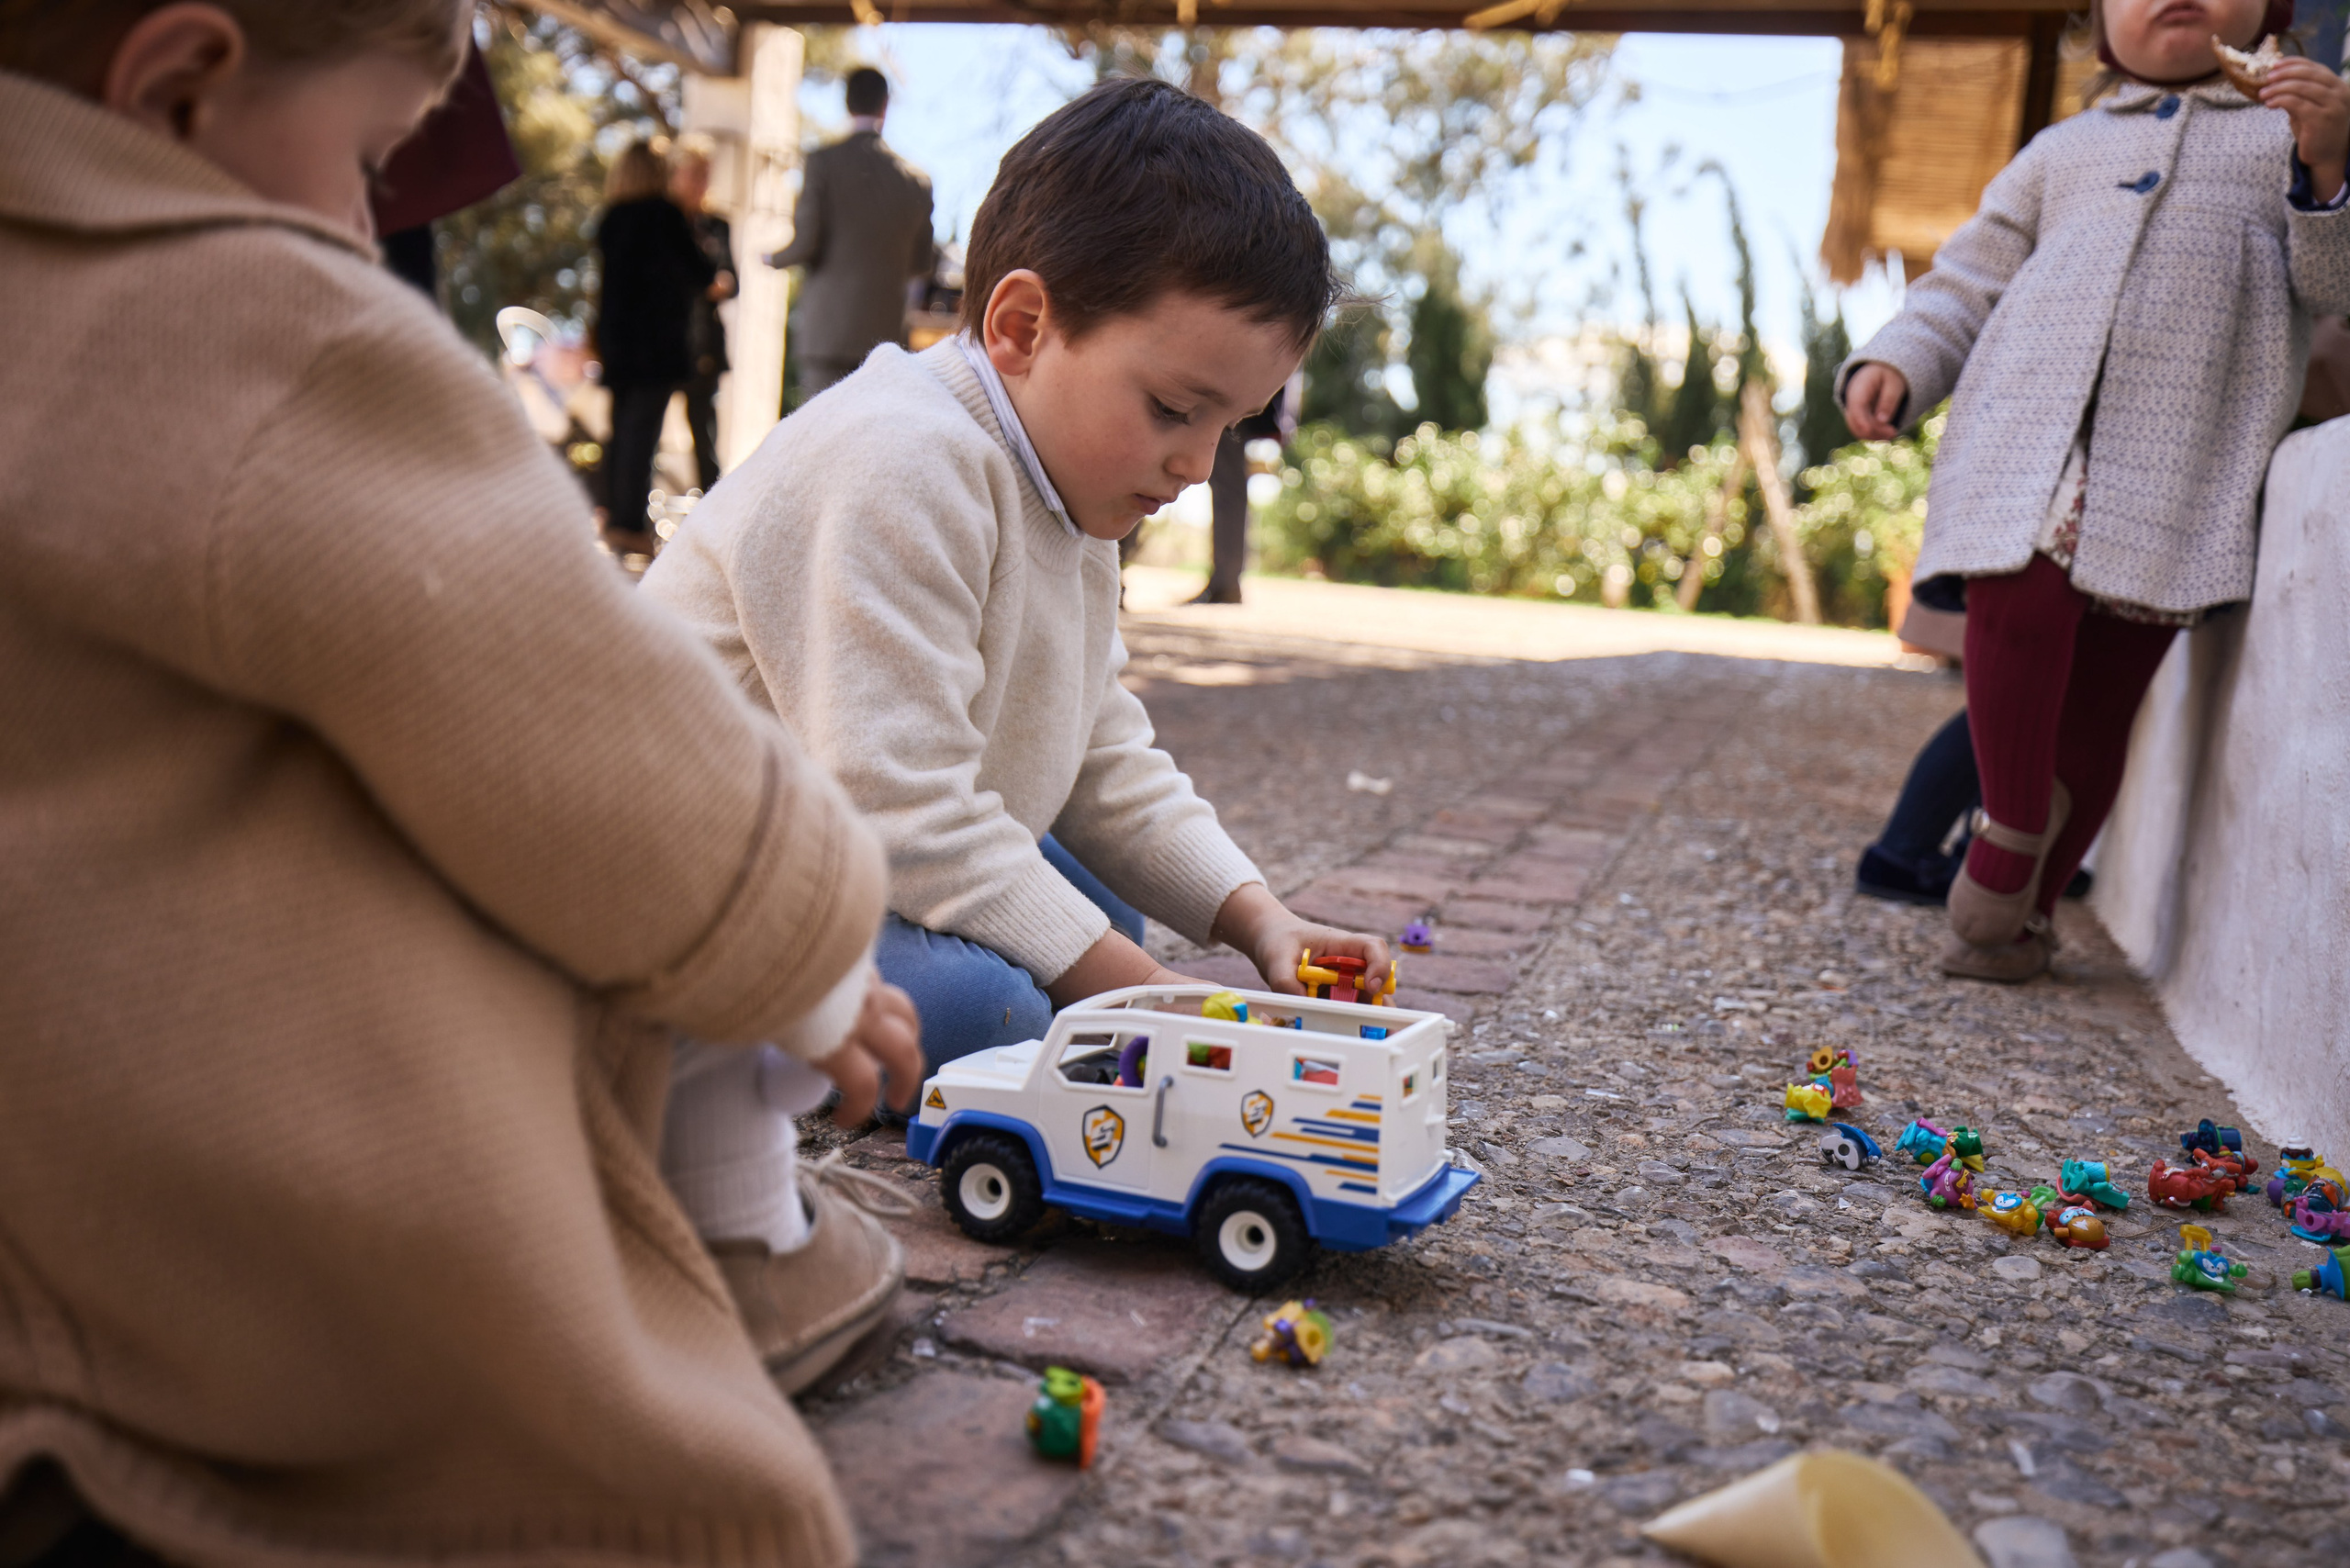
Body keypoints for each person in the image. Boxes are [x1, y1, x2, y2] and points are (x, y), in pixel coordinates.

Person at [0, 5, 919, 1565]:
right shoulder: (247, 323)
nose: (370, 231)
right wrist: (817, 966)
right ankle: (699, 1262)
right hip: (251, 1307)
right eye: (366, 162)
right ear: (177, 85)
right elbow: (613, 754)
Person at [643, 75, 1394, 1295]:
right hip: (705, 883)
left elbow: (1100, 752)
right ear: (1022, 327)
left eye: (1229, 429)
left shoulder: (1067, 484)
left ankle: (1042, 987)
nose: (1196, 467)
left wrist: (1257, 920)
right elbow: (901, 805)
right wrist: (1150, 1005)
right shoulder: (902, 459)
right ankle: (746, 1053)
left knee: (1108, 935)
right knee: (1010, 1014)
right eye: (1173, 409)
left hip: (856, 849)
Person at [1839, 0, 2350, 983]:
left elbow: (2334, 287)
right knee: (2013, 594)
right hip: (2027, 437)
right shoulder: (2056, 150)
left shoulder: (2291, 135)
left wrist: (2329, 163)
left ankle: (2019, 920)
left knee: (2099, 705)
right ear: (2095, 21)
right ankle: (2009, 829)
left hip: (2179, 463)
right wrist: (1900, 357)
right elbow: (1964, 283)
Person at [763, 66, 934, 399]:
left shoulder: (823, 162)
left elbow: (805, 244)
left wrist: (770, 257)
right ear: (886, 105)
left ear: (846, 103)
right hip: (885, 338)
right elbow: (921, 263)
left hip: (827, 332)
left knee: (817, 435)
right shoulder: (917, 180)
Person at [594, 140, 715, 554]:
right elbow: (700, 274)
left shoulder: (611, 219)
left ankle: (615, 518)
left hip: (617, 343)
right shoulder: (666, 217)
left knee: (620, 433)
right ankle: (630, 526)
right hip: (656, 347)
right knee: (642, 438)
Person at [1190, 374, 1298, 604]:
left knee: (1227, 486)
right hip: (1235, 386)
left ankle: (1226, 582)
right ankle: (1226, 581)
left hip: (1232, 385)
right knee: (1228, 486)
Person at [670, 135, 735, 491]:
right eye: (694, 173)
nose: (701, 182)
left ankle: (711, 512)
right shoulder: (665, 222)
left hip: (705, 345)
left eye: (706, 174)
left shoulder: (716, 224)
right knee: (645, 430)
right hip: (666, 342)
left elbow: (730, 281)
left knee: (705, 437)